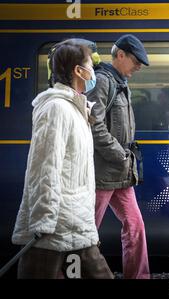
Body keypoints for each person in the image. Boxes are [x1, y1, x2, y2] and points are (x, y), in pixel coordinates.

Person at [12, 41, 113, 279]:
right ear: (79, 71)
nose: (94, 73)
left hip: (76, 221)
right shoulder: (57, 108)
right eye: (90, 66)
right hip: (55, 226)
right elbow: (44, 167)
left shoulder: (77, 110)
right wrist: (42, 222)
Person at [86, 34, 150, 279]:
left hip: (121, 173)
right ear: (120, 55)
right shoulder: (103, 81)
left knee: (135, 227)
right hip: (103, 172)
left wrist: (124, 160)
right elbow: (94, 126)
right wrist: (119, 155)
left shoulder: (121, 82)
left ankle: (139, 276)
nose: (138, 67)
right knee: (86, 232)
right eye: (135, 61)